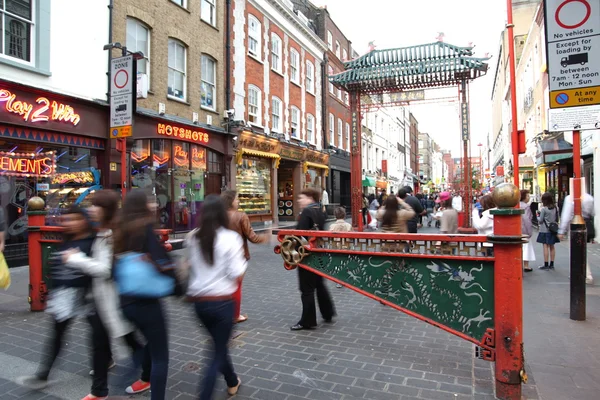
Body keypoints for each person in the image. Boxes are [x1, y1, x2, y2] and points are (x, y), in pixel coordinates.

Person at [62, 190, 143, 400]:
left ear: (105, 210)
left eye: (95, 205)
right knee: (100, 344)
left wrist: (76, 259)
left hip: (113, 300)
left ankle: (150, 371)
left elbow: (104, 270)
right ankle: (99, 391)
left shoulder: (110, 235)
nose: (90, 208)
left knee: (129, 341)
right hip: (99, 300)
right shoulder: (102, 231)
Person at [19, 206, 96, 393]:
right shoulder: (66, 241)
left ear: (85, 220)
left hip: (87, 295)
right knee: (57, 335)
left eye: (75, 219)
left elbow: (97, 269)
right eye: (67, 219)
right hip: (65, 295)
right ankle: (43, 374)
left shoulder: (93, 242)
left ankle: (107, 361)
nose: (70, 223)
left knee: (98, 332)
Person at [114, 190, 173, 399]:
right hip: (147, 300)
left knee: (149, 341)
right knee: (161, 356)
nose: (154, 204)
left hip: (125, 300)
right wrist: (179, 285)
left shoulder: (120, 229)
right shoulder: (145, 228)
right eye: (150, 201)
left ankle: (141, 376)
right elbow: (163, 261)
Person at [185, 195, 245, 399]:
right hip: (222, 302)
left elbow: (190, 267)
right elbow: (236, 271)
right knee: (216, 354)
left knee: (218, 345)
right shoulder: (230, 238)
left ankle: (232, 380)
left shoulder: (193, 237)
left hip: (199, 304)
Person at [221, 190, 270, 323]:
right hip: (238, 255)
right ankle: (235, 315)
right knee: (236, 287)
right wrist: (265, 237)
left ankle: (222, 312)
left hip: (220, 255)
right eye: (236, 199)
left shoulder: (218, 216)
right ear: (231, 201)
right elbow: (252, 237)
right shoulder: (241, 216)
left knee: (222, 285)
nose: (238, 201)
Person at [291, 188, 336, 330]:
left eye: (301, 198)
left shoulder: (307, 212)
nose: (299, 201)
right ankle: (327, 312)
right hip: (318, 252)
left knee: (307, 288)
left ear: (310, 198)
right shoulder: (320, 210)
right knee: (319, 284)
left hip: (307, 254)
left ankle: (308, 320)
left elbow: (301, 234)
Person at [558, 191, 594, 284]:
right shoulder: (589, 198)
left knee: (575, 251)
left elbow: (566, 216)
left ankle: (582, 274)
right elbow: (593, 213)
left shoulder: (570, 198)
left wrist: (562, 230)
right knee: (583, 250)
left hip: (574, 226)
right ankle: (584, 273)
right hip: (586, 225)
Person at [329, 206, 352, 288]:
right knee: (345, 261)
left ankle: (339, 280)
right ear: (344, 215)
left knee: (337, 263)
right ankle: (345, 276)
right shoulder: (348, 225)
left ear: (335, 215)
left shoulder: (332, 226)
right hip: (346, 247)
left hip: (336, 247)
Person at [536, 192, 559, 270]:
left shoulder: (544, 209)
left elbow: (541, 220)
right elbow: (557, 218)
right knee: (552, 246)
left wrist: (537, 216)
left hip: (544, 230)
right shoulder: (556, 208)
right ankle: (552, 264)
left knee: (545, 246)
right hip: (553, 230)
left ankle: (546, 264)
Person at [520, 190, 535, 273]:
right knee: (527, 248)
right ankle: (526, 265)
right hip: (525, 230)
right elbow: (527, 219)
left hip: (517, 229)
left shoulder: (516, 205)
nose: (529, 197)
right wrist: (529, 232)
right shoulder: (526, 206)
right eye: (528, 196)